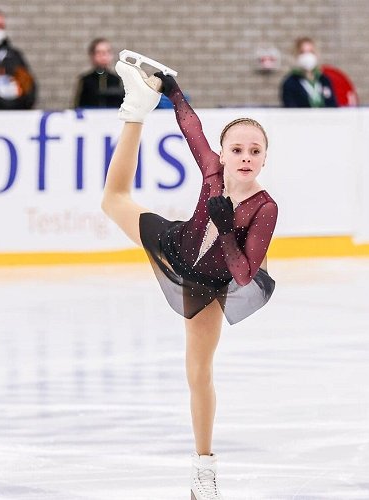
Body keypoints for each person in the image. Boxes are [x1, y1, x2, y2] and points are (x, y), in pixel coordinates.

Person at [101, 56, 278, 500]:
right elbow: (192, 128)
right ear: (223, 154)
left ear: (264, 159)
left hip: (210, 284)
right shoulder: (213, 171)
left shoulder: (264, 207)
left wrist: (230, 228)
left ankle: (204, 470)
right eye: (237, 149)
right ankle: (136, 110)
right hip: (177, 244)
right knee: (113, 199)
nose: (245, 157)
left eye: (254, 151)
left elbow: (244, 273)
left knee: (198, 373)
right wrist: (172, 91)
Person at [280, 37, 337, 108]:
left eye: (311, 52)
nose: (307, 56)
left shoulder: (324, 80)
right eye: (303, 52)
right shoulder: (290, 82)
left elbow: (333, 104)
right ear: (296, 55)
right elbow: (290, 106)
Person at [73, 38, 124, 108]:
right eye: (99, 52)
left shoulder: (116, 80)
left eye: (106, 52)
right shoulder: (86, 80)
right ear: (92, 55)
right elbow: (78, 106)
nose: (103, 56)